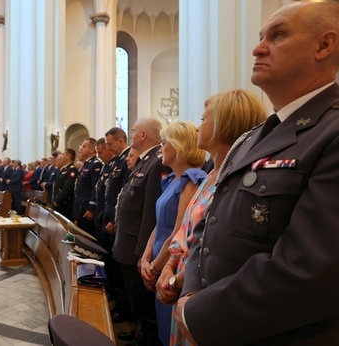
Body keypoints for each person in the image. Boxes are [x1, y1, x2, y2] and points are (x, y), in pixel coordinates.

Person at [175, 2, 339, 345]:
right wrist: (191, 293)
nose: (257, 47)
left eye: (277, 35)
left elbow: (312, 269)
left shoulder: (331, 132)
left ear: (324, 45)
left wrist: (199, 312)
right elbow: (208, 223)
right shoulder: (253, 137)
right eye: (260, 36)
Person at [152, 90, 266, 346]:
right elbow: (184, 230)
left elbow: (217, 244)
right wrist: (169, 266)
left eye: (204, 119)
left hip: (200, 292)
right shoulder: (212, 175)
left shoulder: (234, 179)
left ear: (224, 126)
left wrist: (174, 279)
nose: (197, 127)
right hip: (180, 283)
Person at [139, 121, 207, 345]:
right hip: (159, 261)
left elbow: (179, 230)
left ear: (177, 147)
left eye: (164, 142)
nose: (160, 148)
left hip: (173, 265)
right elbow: (159, 224)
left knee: (170, 331)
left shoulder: (191, 180)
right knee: (160, 328)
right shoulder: (172, 179)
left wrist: (156, 266)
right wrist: (146, 257)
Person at [112, 118, 171, 345]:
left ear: (143, 135)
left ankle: (146, 339)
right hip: (128, 244)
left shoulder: (157, 163)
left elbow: (150, 213)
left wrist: (141, 254)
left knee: (144, 305)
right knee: (135, 300)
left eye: (134, 131)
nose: (131, 134)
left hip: (136, 246)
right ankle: (138, 332)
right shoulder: (144, 161)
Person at [73, 137, 102, 237]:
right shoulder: (86, 165)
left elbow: (95, 187)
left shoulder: (95, 164)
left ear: (91, 149)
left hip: (86, 208)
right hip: (80, 207)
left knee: (87, 238)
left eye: (84, 146)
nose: (81, 148)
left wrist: (91, 208)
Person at [52, 149, 78, 220]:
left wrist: (58, 200)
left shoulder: (72, 170)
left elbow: (67, 187)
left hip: (65, 204)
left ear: (68, 156)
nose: (61, 156)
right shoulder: (64, 169)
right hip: (59, 203)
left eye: (63, 154)